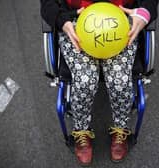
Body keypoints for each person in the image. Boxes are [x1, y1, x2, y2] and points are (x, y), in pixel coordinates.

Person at [40, 0, 158, 165]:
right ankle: (82, 130)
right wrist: (61, 19)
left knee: (120, 82)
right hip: (76, 21)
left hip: (121, 21)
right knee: (84, 81)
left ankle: (120, 128)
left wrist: (145, 12)